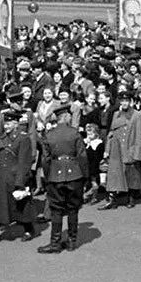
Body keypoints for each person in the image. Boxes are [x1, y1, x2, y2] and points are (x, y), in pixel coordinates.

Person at [0, 110, 35, 245]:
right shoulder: (2, 138)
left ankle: (28, 229)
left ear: (16, 124)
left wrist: (20, 181)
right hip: (0, 176)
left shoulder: (23, 138)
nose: (6, 126)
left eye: (9, 124)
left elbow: (24, 162)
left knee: (20, 205)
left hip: (14, 177)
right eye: (5, 123)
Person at [37, 103, 88, 253]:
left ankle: (55, 243)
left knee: (56, 210)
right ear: (66, 117)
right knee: (73, 209)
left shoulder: (49, 135)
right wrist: (85, 176)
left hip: (56, 174)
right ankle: (72, 241)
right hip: (74, 173)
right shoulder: (74, 133)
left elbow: (45, 160)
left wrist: (48, 176)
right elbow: (82, 156)